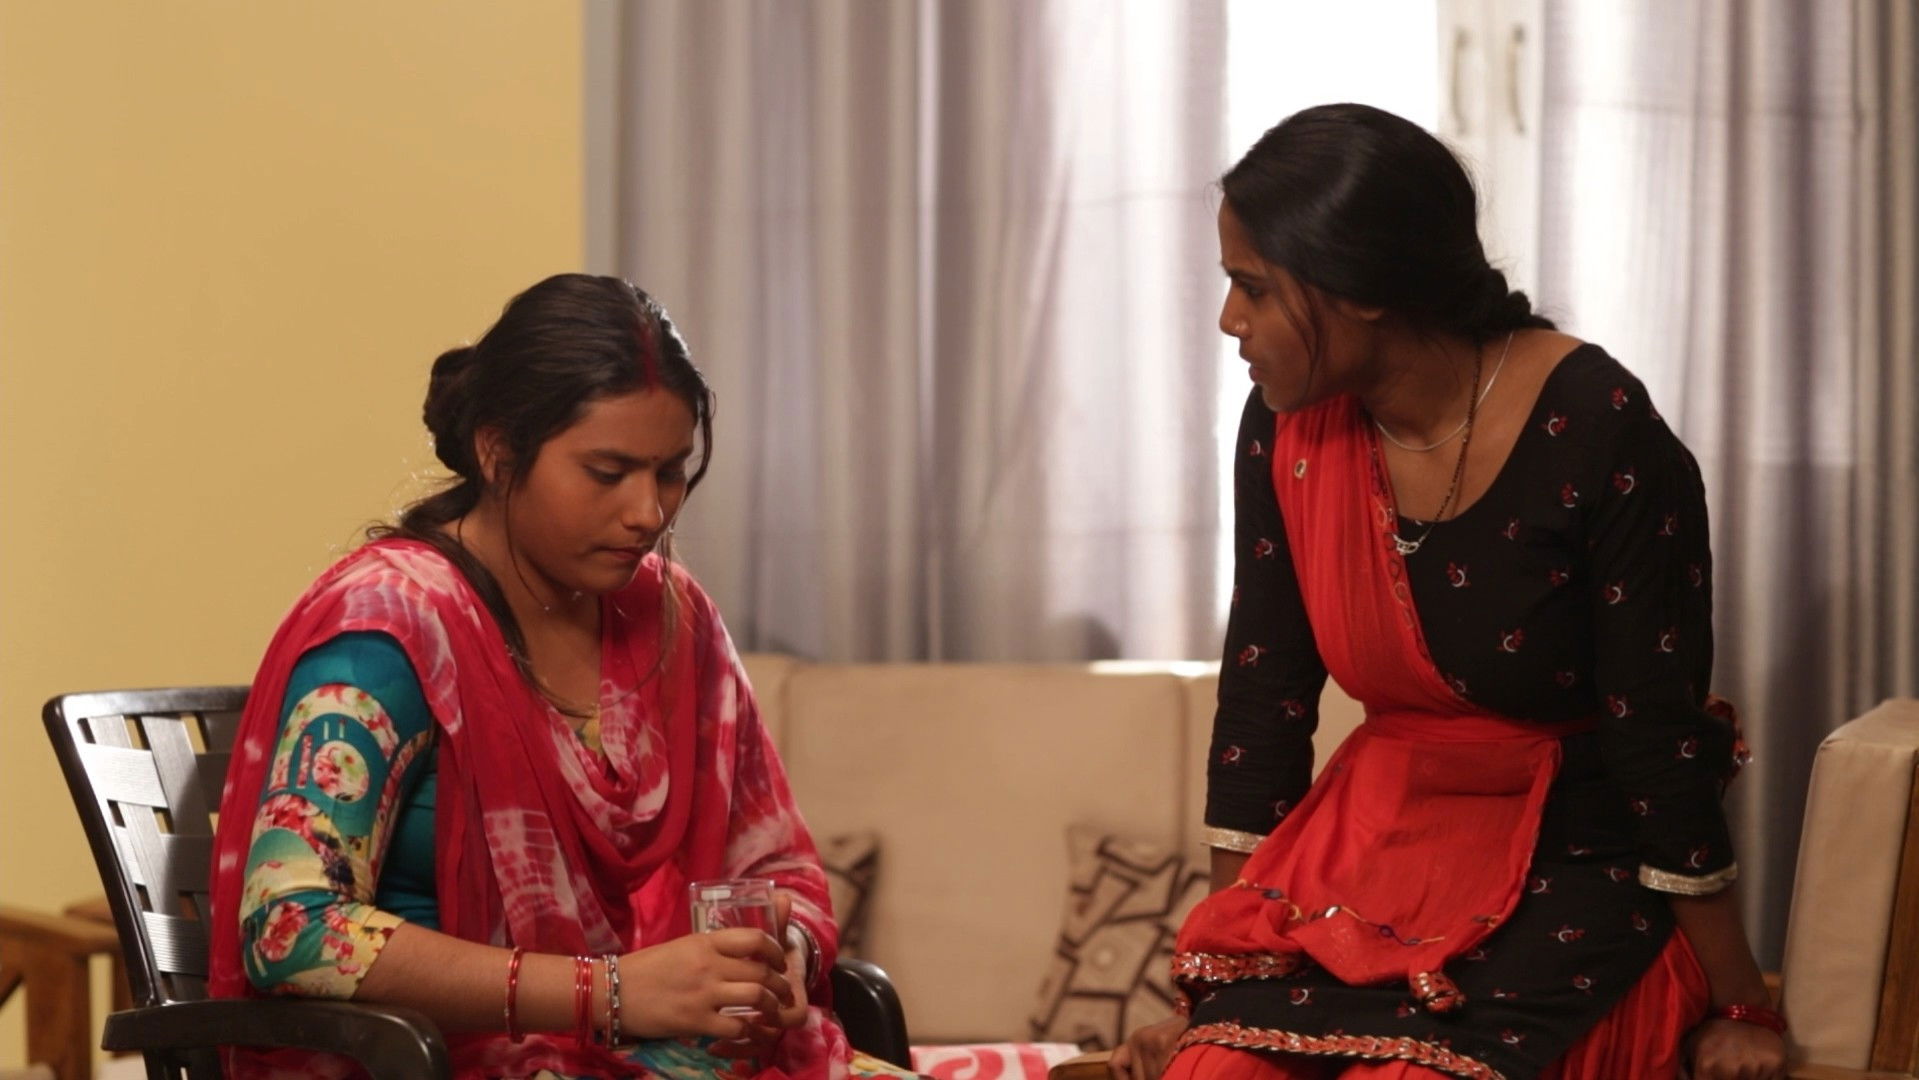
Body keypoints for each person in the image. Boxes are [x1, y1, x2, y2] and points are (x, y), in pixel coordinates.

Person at [1109, 105, 1787, 1080]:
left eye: (1252, 287)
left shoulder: (1596, 428)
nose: (1229, 320)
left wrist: (1739, 1001)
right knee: (1214, 1071)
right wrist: (1214, 984)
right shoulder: (1287, 428)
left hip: (1566, 875)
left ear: (1361, 290)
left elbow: (1658, 739)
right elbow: (1263, 707)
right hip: (1370, 860)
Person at [206, 274, 915, 1080]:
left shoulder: (670, 618)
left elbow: (777, 872)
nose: (648, 512)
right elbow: (291, 928)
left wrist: (776, 958)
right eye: (607, 472)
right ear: (497, 452)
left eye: (670, 471)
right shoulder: (392, 627)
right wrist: (605, 992)